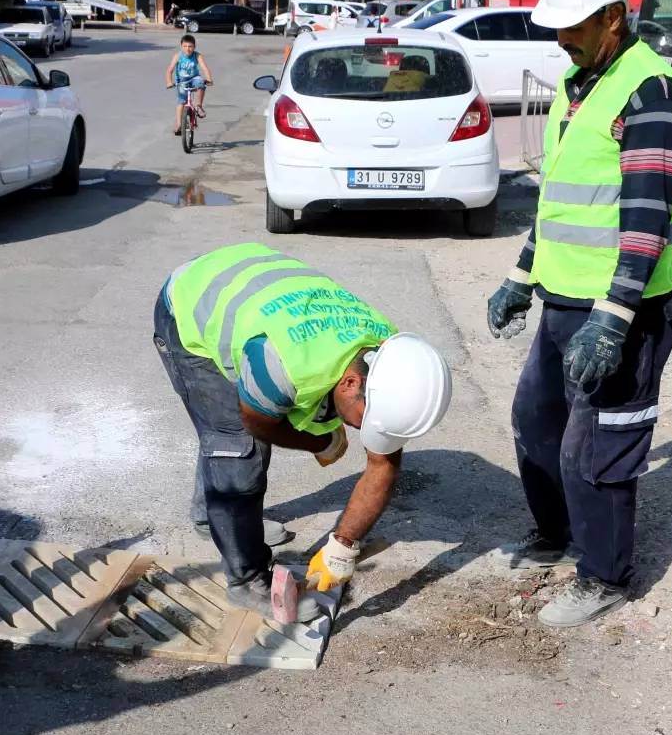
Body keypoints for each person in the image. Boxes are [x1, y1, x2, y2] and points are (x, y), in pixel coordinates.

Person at [486, 0, 672, 628]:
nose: (561, 40)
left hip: (625, 311)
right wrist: (522, 275)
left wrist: (614, 318)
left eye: (571, 25)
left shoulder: (650, 92)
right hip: (564, 301)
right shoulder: (582, 87)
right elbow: (562, 204)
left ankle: (605, 573)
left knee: (597, 442)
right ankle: (558, 533)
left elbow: (644, 223)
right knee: (536, 421)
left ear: (613, 15)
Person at [154, 244, 452, 622]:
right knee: (236, 445)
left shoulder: (391, 363)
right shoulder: (281, 363)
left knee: (229, 441)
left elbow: (383, 466)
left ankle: (209, 516)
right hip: (188, 304)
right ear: (349, 383)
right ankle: (245, 580)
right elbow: (256, 421)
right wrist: (319, 440)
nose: (365, 429)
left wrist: (342, 547)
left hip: (253, 286)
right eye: (367, 418)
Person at [165, 34, 213, 134]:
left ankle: (199, 107)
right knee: (181, 102)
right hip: (182, 81)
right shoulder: (178, 56)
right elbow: (169, 70)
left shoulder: (197, 55)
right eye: (185, 46)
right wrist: (169, 82)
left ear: (194, 47)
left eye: (190, 46)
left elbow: (204, 68)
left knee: (201, 84)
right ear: (181, 46)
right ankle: (178, 124)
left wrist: (209, 79)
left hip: (194, 78)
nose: (188, 49)